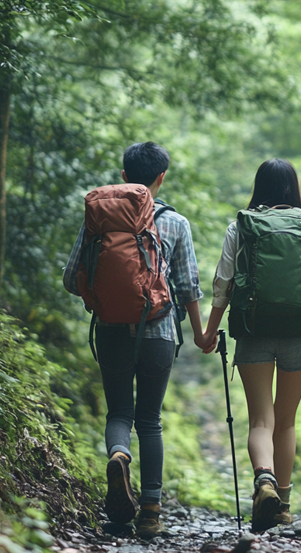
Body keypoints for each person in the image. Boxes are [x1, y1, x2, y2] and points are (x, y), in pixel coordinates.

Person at [202, 158, 301, 532]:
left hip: (254, 329)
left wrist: (210, 331)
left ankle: (264, 479)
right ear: (294, 189)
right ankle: (285, 506)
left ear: (259, 187)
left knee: (261, 418)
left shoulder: (240, 227)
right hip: (299, 333)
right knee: (286, 421)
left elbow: (222, 284)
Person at [63, 142, 211, 539]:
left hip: (111, 328)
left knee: (119, 415)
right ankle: (150, 512)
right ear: (161, 178)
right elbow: (188, 286)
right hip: (159, 332)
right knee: (150, 420)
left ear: (125, 177)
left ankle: (118, 454)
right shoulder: (176, 224)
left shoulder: (99, 219)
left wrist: (105, 297)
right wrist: (199, 333)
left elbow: (70, 277)